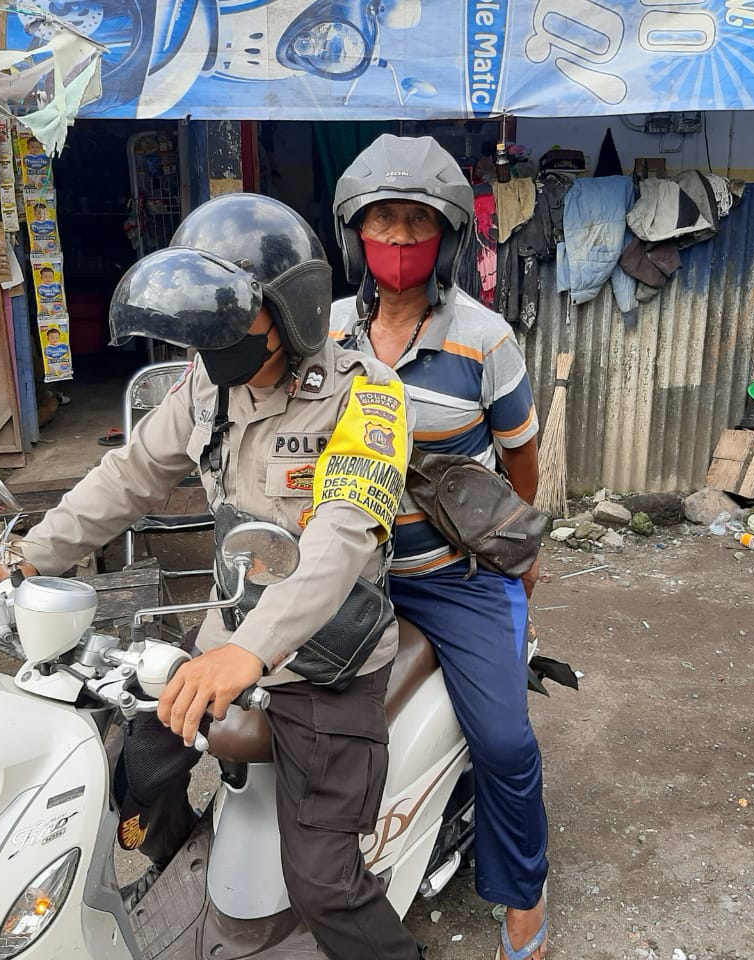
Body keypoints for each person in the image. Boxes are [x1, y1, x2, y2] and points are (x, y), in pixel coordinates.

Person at [0, 194, 423, 960]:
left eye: (228, 324)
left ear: (291, 312)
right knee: (135, 771)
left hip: (326, 659)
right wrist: (28, 553)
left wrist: (253, 653)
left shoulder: (368, 397)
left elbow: (340, 540)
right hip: (226, 633)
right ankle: (186, 871)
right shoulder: (208, 384)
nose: (210, 346)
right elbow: (130, 476)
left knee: (324, 881)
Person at [331, 134, 550, 960]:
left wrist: (513, 557)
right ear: (354, 232)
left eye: (415, 222)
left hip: (453, 577)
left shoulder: (484, 338)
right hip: (344, 575)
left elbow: (521, 457)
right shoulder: (323, 334)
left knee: (503, 741)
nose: (395, 240)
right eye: (381, 221)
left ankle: (522, 889)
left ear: (447, 237)